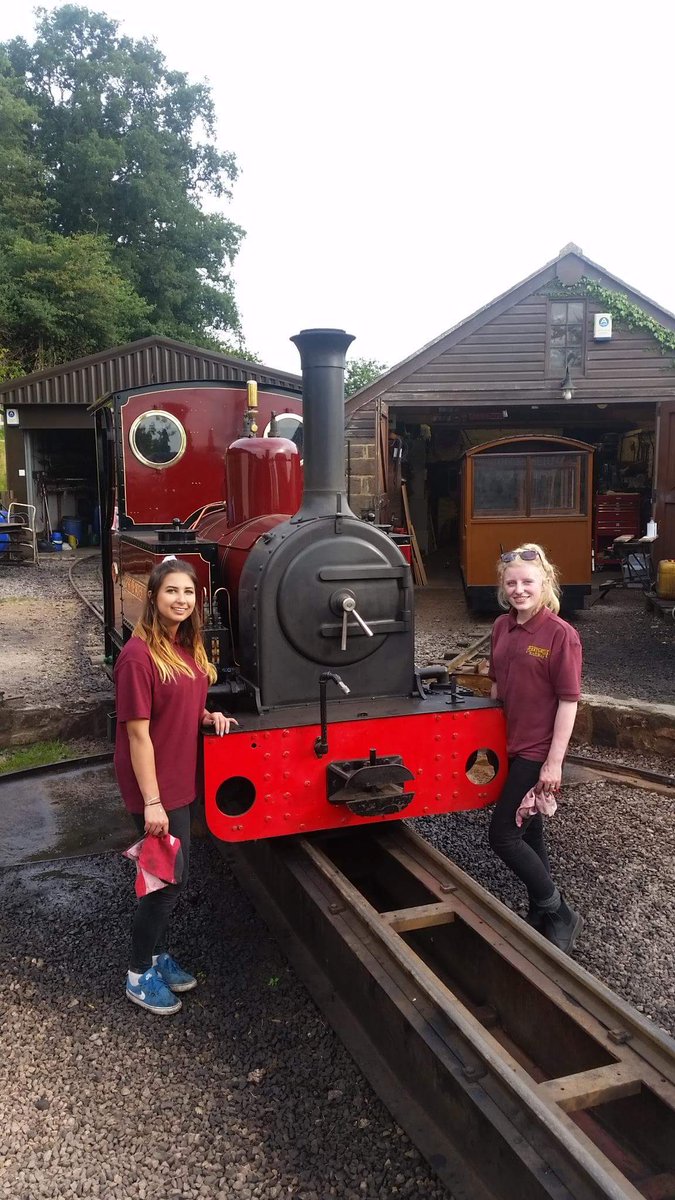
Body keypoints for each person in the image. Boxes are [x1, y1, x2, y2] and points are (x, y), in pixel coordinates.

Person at [114, 556, 236, 1014]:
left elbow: (183, 704)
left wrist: (208, 716)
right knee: (164, 882)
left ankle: (155, 955)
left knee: (174, 877)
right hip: (154, 788)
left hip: (177, 780)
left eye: (188, 592)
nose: (181, 599)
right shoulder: (137, 656)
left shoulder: (185, 648)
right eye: (172, 591)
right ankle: (138, 973)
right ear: (153, 597)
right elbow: (137, 734)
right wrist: (152, 803)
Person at [487, 543, 583, 953]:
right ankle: (540, 910)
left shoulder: (560, 635)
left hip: (537, 750)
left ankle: (559, 911)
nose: (519, 589)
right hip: (509, 744)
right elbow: (495, 688)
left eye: (528, 582)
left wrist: (553, 764)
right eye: (512, 583)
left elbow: (568, 701)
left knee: (504, 835)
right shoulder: (500, 627)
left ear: (546, 583)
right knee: (532, 831)